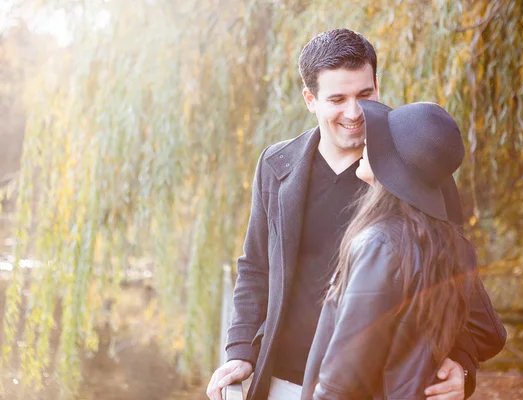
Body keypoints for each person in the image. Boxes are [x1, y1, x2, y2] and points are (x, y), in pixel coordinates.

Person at [207, 29, 506, 400]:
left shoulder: (419, 169)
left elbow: (456, 285)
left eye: (364, 95)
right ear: (310, 99)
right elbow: (255, 266)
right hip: (282, 382)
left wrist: (461, 363)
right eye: (337, 98)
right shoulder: (275, 164)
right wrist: (239, 352)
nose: (354, 113)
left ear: (377, 86)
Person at [302, 99, 483, 399]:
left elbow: (341, 383)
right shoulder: (445, 242)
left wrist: (462, 369)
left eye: (379, 137)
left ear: (393, 163)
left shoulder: (380, 245)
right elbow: (491, 331)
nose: (366, 140)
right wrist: (462, 367)